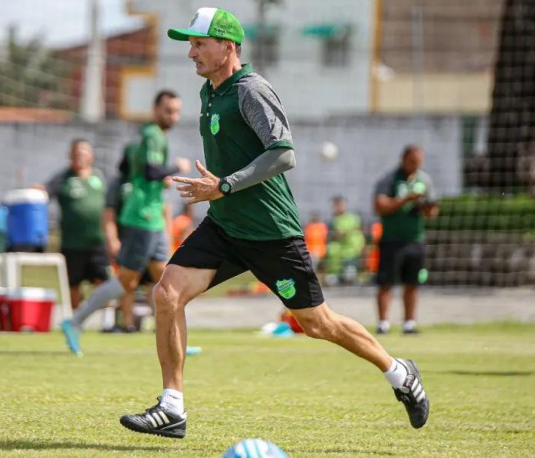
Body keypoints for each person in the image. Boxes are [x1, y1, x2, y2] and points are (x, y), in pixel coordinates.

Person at [118, 8, 429, 439]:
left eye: (198, 43)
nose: (190, 53)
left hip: (271, 232)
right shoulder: (210, 91)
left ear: (228, 47)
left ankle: (398, 371)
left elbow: (283, 153)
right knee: (167, 294)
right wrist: (221, 194)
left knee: (318, 323)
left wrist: (225, 185)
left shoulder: (251, 90)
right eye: (189, 44)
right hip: (225, 226)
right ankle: (172, 406)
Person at [60, 90, 190, 355]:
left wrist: (149, 181)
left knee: (163, 279)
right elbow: (151, 171)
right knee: (127, 281)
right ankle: (74, 322)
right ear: (156, 110)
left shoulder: (142, 139)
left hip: (150, 217)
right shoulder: (152, 134)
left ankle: (174, 340)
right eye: (168, 111)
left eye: (176, 112)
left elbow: (125, 169)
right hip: (141, 218)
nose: (173, 117)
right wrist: (175, 168)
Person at [373, 145, 439, 335]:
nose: (415, 166)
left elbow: (432, 212)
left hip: (415, 239)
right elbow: (379, 206)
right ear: (403, 159)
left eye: (418, 163)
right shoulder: (390, 179)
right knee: (386, 283)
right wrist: (405, 200)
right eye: (412, 162)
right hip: (391, 239)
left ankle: (409, 323)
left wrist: (426, 207)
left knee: (413, 282)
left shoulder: (424, 179)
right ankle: (383, 323)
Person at [37, 139, 109, 311]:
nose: (80, 156)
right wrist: (37, 189)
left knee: (103, 282)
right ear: (70, 156)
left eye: (84, 152)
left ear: (90, 156)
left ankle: (104, 320)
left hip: (97, 241)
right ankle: (75, 320)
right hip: (73, 243)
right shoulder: (64, 178)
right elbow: (45, 191)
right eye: (76, 153)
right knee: (73, 284)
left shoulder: (99, 177)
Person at [324, 196, 366, 284]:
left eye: (339, 204)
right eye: (335, 205)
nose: (337, 207)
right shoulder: (334, 220)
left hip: (353, 251)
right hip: (341, 253)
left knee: (350, 273)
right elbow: (336, 235)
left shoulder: (353, 218)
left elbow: (344, 233)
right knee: (339, 275)